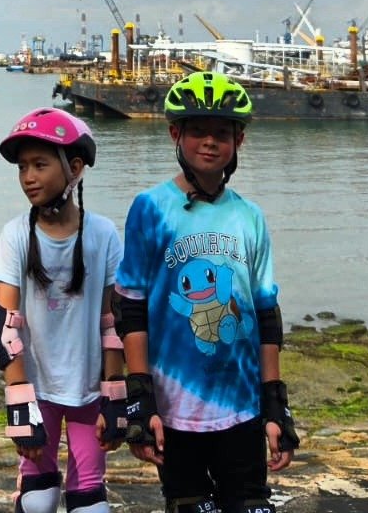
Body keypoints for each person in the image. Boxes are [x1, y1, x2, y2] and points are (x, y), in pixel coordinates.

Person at [112, 73, 298, 513]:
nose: (209, 142)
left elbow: (266, 315)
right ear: (176, 134)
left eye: (222, 133)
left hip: (241, 406)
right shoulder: (150, 208)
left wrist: (275, 407)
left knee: (251, 505)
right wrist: (140, 401)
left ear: (240, 139)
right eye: (197, 131)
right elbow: (131, 309)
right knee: (190, 506)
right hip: (175, 410)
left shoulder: (249, 217)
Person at [0, 108, 124, 513]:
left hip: (86, 393)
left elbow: (111, 321)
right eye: (23, 166)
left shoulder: (103, 234)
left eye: (40, 165)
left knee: (90, 504)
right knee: (39, 499)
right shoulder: (14, 236)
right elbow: (5, 326)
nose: (28, 176)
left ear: (74, 167)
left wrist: (114, 395)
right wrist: (20, 404)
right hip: (37, 389)